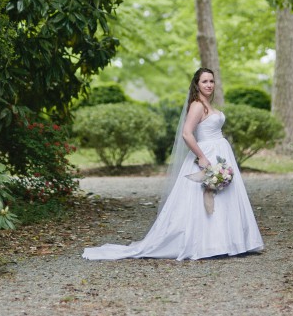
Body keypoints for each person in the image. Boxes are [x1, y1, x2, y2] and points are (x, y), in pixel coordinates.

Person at [82, 67, 264, 260]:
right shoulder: (197, 105)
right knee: (200, 198)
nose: (209, 85)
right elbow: (187, 133)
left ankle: (231, 241)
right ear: (197, 84)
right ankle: (209, 245)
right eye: (204, 81)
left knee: (226, 197)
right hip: (206, 153)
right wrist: (202, 157)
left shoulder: (208, 105)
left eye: (211, 81)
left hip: (220, 153)